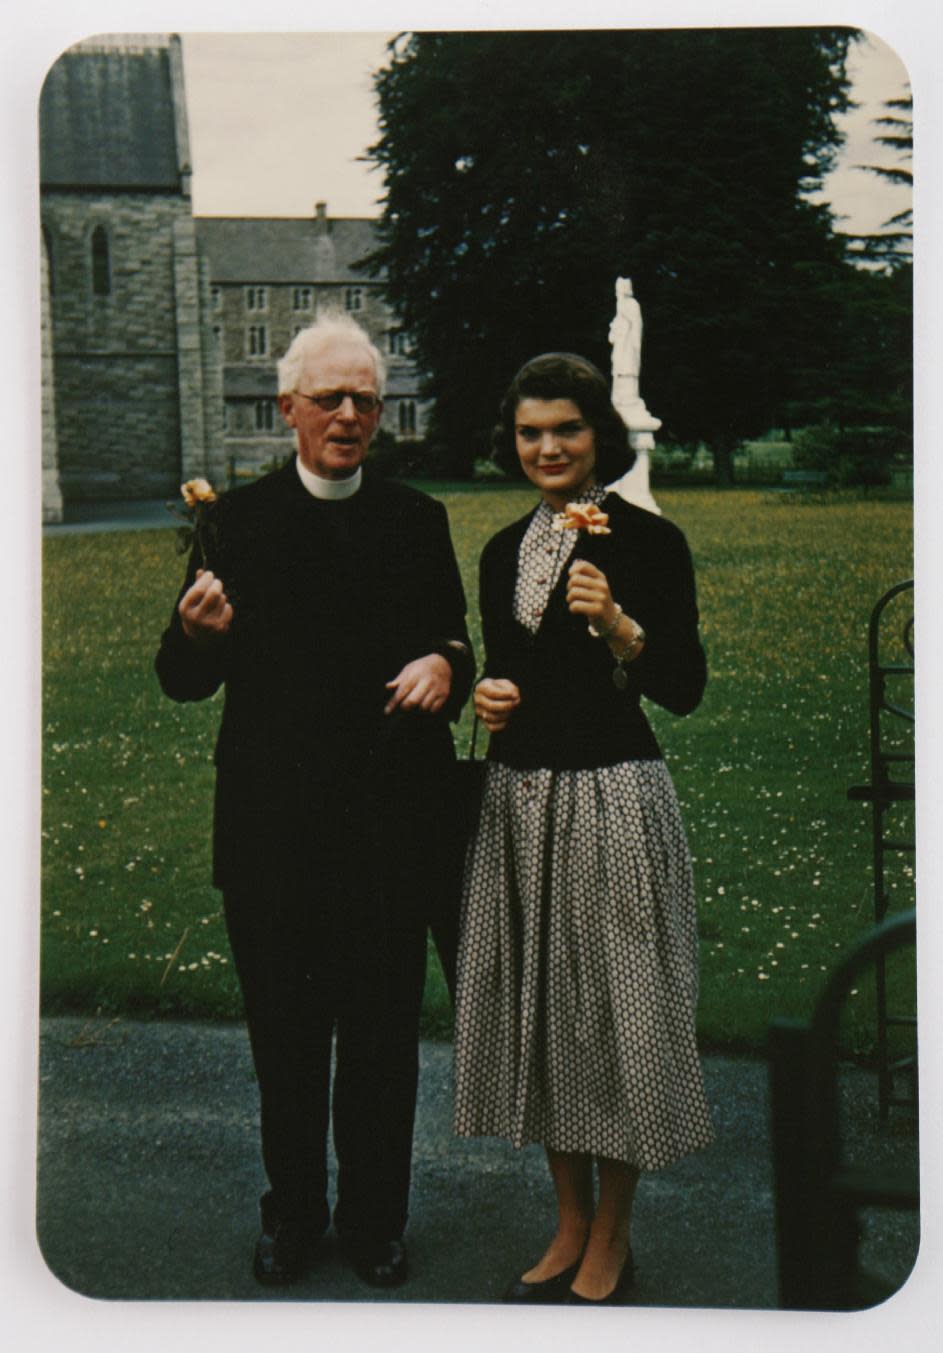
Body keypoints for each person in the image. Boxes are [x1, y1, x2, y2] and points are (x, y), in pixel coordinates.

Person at [155, 314, 473, 1290]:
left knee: (381, 1047)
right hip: (274, 840)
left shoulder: (415, 521)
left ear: (381, 415)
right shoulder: (237, 524)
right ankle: (292, 1217)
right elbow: (180, 678)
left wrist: (440, 665)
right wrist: (197, 635)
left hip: (389, 834)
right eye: (328, 397)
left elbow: (455, 647)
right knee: (288, 1050)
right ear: (287, 407)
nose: (346, 414)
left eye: (364, 399)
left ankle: (376, 1222)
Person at [453, 352, 713, 1306]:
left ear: (597, 433)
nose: (548, 446)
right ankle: (566, 1221)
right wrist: (490, 694)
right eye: (529, 432)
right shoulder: (495, 554)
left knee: (616, 1014)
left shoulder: (648, 542)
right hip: (519, 803)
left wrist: (618, 626)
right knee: (540, 1014)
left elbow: (681, 687)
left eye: (564, 428)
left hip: (611, 797)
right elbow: (512, 674)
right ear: (509, 442)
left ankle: (613, 1233)